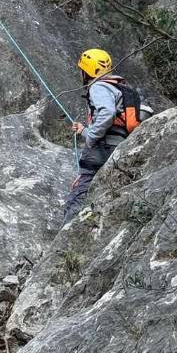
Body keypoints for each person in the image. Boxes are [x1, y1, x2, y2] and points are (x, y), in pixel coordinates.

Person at [63, 48, 145, 223]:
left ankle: (66, 236)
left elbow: (107, 113)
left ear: (88, 71)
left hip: (101, 148)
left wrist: (91, 136)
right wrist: (84, 130)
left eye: (83, 70)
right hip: (118, 147)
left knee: (79, 195)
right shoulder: (118, 87)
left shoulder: (98, 86)